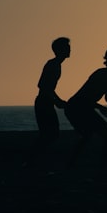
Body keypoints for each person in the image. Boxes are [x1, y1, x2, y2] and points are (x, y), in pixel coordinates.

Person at [64, 46, 107, 167]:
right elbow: (84, 98)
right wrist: (100, 107)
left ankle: (72, 164)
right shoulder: (101, 73)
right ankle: (96, 167)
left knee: (90, 135)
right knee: (106, 136)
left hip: (82, 107)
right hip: (76, 108)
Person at [27, 37, 71, 167]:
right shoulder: (53, 65)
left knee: (50, 134)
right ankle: (31, 160)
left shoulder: (56, 64)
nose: (70, 50)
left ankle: (33, 160)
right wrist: (57, 100)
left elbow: (48, 87)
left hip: (46, 102)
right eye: (67, 47)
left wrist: (57, 100)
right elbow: (43, 86)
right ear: (60, 50)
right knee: (50, 134)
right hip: (44, 102)